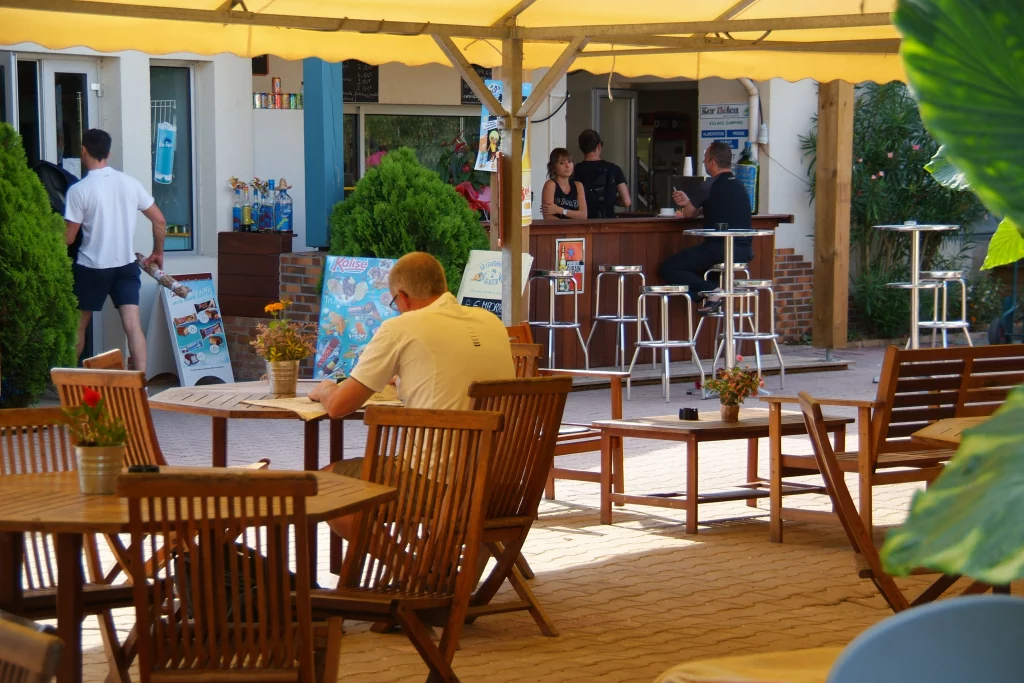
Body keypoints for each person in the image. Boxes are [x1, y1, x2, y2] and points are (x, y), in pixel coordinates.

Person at [309, 251, 515, 478]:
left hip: (435, 482)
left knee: (321, 482)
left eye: (394, 302)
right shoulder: (491, 322)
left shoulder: (400, 327)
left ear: (403, 297)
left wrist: (325, 389)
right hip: (497, 481)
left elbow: (339, 406)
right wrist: (402, 378)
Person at [64, 128, 167, 372]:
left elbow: (68, 239)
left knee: (79, 324)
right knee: (132, 325)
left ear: (84, 151)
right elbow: (160, 221)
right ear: (108, 153)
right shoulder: (129, 183)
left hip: (91, 267)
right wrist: (158, 252)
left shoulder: (79, 190)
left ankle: (66, 381)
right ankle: (140, 383)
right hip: (125, 265)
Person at [658, 140, 754, 298]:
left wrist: (687, 204)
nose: (703, 161)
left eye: (705, 158)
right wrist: (690, 203)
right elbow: (718, 207)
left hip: (718, 250)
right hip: (744, 252)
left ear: (712, 161)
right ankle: (713, 298)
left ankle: (713, 291)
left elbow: (688, 214)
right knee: (709, 273)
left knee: (669, 268)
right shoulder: (739, 185)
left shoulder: (709, 185)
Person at [572, 129, 631, 218]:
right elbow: (626, 201)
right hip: (608, 223)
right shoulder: (614, 169)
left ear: (581, 148)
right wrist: (611, 199)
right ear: (599, 145)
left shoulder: (574, 170)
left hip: (583, 224)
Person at [541, 148, 588, 219]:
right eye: (562, 163)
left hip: (576, 229)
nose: (567, 166)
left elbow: (583, 215)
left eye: (569, 161)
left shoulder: (578, 185)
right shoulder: (550, 185)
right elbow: (548, 217)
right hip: (557, 229)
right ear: (553, 167)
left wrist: (560, 210)